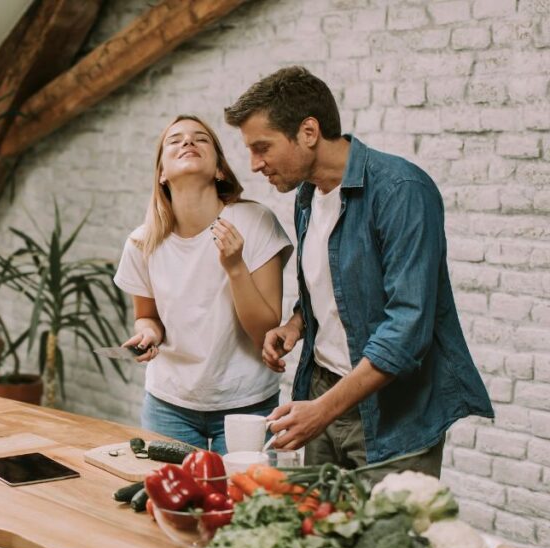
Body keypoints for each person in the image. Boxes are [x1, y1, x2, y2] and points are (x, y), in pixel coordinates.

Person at [223, 66, 494, 481]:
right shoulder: (307, 196)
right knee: (317, 537)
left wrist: (325, 409)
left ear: (309, 131)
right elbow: (336, 281)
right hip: (320, 395)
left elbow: (407, 330)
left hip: (392, 418)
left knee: (385, 544)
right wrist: (296, 324)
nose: (255, 164)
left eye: (263, 147)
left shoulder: (402, 190)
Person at [113, 115, 292, 454]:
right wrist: (148, 334)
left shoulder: (255, 223)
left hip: (247, 403)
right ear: (162, 173)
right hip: (168, 406)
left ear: (220, 170)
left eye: (201, 138)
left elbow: (265, 332)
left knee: (244, 503)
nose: (188, 142)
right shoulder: (142, 242)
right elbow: (147, 316)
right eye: (175, 140)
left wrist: (235, 266)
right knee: (168, 505)